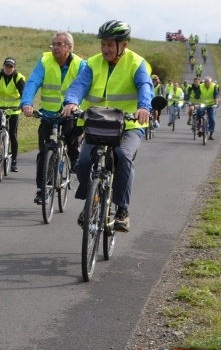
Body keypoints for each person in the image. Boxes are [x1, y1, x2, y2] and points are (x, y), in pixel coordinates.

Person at [61, 20, 152, 232]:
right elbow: (79, 85)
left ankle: (122, 210)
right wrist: (72, 101)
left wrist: (144, 107)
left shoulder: (136, 63)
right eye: (103, 44)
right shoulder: (93, 63)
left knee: (123, 157)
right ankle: (92, 202)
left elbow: (145, 86)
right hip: (98, 124)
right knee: (83, 163)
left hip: (128, 125)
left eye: (110, 44)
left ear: (124, 45)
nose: (105, 49)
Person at [21, 31, 87, 205]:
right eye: (53, 44)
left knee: (71, 142)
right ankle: (42, 189)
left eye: (59, 44)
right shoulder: (45, 61)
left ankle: (74, 165)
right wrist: (27, 103)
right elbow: (33, 82)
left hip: (71, 114)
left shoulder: (81, 65)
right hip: (49, 115)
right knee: (44, 152)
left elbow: (84, 87)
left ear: (69, 48)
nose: (55, 47)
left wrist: (76, 106)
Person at [0, 57, 26, 172]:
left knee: (13, 134)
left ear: (14, 68)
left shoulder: (18, 78)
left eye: (11, 67)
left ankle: (14, 161)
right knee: (0, 126)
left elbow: (23, 93)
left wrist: (24, 104)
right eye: (6, 66)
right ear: (3, 66)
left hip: (14, 109)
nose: (8, 68)